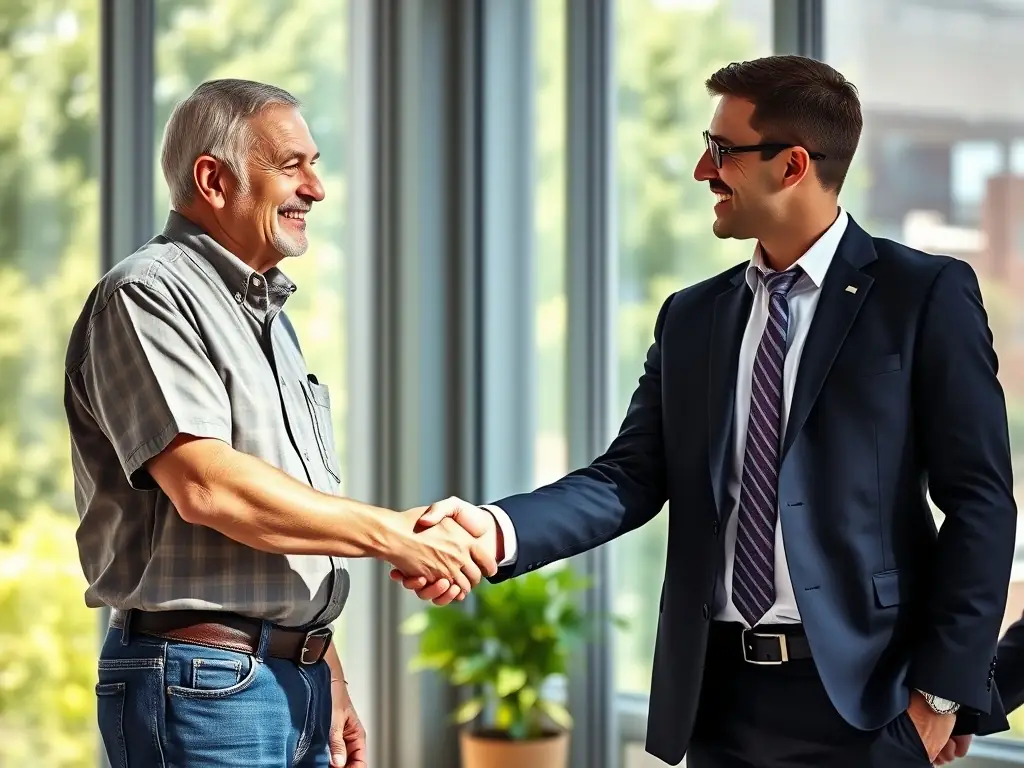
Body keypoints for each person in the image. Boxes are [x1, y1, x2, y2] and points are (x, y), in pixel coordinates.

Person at [393, 55, 1017, 767]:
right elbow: (627, 476)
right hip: (717, 700)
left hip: (869, 704)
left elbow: (981, 502)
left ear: (792, 166)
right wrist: (494, 530)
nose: (701, 170)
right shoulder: (694, 316)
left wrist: (939, 696)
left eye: (721, 150)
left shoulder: (922, 296)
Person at [64, 79, 495, 768]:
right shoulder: (147, 294)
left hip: (287, 681)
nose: (317, 189)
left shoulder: (270, 322)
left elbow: (281, 528)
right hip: (204, 689)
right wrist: (393, 535)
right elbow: (210, 488)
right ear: (213, 179)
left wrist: (325, 665)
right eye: (292, 165)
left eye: (314, 164)